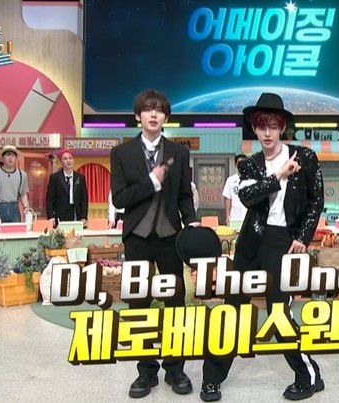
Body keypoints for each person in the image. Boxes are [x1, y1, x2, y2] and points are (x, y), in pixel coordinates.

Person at [201, 93, 325, 402]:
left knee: (278, 311)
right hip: (250, 242)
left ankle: (307, 376)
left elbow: (316, 201)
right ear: (254, 129)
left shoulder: (305, 157)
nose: (267, 133)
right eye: (261, 126)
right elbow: (247, 197)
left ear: (282, 127)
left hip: (284, 242)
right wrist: (279, 175)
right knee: (232, 308)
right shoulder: (250, 164)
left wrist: (303, 237)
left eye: (273, 126)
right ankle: (212, 378)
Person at [110, 89, 198, 398]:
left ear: (165, 117)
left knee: (175, 302)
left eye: (159, 110)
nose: (153, 114)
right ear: (138, 115)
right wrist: (151, 182)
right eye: (148, 109)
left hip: (169, 236)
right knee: (138, 303)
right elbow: (120, 199)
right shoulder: (121, 153)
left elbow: (184, 196)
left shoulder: (179, 152)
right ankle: (145, 371)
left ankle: (175, 368)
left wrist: (192, 221)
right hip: (137, 237)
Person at [0, 145, 30, 224]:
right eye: (8, 155)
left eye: (13, 155)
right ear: (3, 158)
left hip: (14, 209)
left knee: (15, 231)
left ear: (16, 158)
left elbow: (23, 194)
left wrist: (26, 208)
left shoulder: (22, 175)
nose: (10, 158)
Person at [46, 149, 88, 226]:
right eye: (65, 159)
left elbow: (84, 199)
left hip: (76, 213)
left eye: (70, 158)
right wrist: (51, 216)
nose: (68, 161)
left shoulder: (80, 177)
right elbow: (49, 199)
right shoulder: (55, 178)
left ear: (73, 160)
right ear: (61, 161)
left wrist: (84, 216)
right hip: (60, 214)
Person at [222, 154, 248, 225]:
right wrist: (227, 216)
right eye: (239, 163)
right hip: (235, 217)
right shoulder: (230, 180)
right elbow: (228, 199)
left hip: (248, 217)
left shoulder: (252, 179)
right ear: (236, 165)